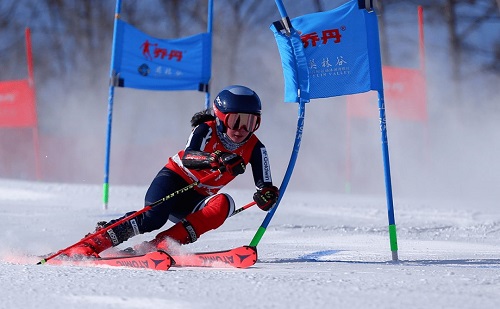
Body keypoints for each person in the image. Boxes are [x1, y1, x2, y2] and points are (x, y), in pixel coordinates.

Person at [65, 85, 279, 258]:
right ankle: (94, 241)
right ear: (221, 118)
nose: (242, 130)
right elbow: (189, 157)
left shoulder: (256, 148)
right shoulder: (206, 128)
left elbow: (266, 186)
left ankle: (161, 245)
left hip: (197, 198)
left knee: (225, 204)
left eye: (251, 122)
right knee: (153, 218)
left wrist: (266, 196)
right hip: (175, 179)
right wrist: (217, 159)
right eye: (236, 121)